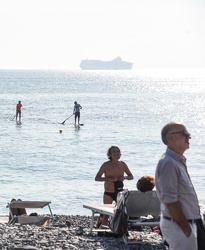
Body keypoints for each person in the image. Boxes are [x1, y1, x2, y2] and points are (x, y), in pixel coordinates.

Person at [155, 122, 205, 250]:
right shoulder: (169, 163)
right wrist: (186, 228)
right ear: (171, 137)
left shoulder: (177, 161)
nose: (189, 137)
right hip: (179, 226)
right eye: (185, 134)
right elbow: (169, 200)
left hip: (187, 224)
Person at [95, 145, 133, 228]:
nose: (116, 153)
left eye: (118, 151)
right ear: (110, 155)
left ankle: (118, 228)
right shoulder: (106, 165)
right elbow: (97, 178)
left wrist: (125, 177)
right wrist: (109, 179)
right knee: (106, 214)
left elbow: (131, 176)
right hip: (108, 192)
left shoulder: (123, 164)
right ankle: (102, 228)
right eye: (114, 152)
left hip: (119, 192)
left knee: (121, 212)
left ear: (120, 154)